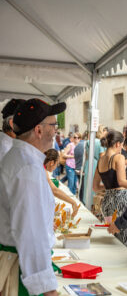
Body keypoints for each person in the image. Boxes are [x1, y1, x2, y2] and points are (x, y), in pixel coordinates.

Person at [0, 98, 66, 296]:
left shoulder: (21, 159)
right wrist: (48, 289)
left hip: (19, 264)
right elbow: (30, 234)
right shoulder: (27, 167)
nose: (56, 131)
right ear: (38, 130)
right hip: (21, 271)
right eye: (54, 125)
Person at [93, 130, 127, 250]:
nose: (122, 148)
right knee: (125, 239)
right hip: (120, 200)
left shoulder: (101, 159)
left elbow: (95, 187)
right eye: (122, 145)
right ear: (117, 144)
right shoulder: (118, 157)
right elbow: (122, 181)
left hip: (107, 202)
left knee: (112, 240)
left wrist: (110, 187)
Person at [44, 148, 79, 218]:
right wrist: (73, 202)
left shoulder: (42, 168)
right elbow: (55, 190)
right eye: (57, 164)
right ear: (52, 163)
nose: (56, 167)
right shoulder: (42, 170)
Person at [83, 125, 106, 205]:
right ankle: (93, 205)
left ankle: (87, 203)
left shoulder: (89, 141)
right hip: (96, 164)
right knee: (95, 186)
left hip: (88, 164)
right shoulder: (100, 142)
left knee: (87, 186)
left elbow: (86, 155)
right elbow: (102, 156)